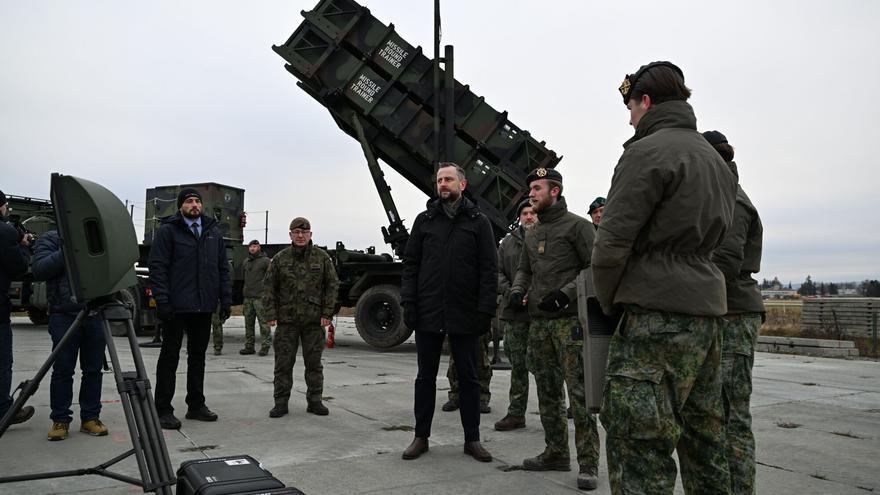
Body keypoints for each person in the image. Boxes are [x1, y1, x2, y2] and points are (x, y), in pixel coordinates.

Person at [592, 61, 737, 494]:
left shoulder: (645, 152)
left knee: (639, 448)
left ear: (646, 101)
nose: (629, 119)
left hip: (654, 319)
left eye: (631, 108)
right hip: (708, 318)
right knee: (706, 443)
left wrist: (610, 303)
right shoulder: (715, 160)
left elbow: (610, 246)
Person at [509, 167, 600, 491]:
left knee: (579, 395)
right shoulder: (532, 232)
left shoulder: (578, 226)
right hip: (540, 325)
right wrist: (517, 290)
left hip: (570, 324)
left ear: (555, 191)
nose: (531, 194)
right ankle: (556, 453)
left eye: (537, 188)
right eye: (530, 189)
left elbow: (595, 267)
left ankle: (588, 462)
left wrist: (566, 294)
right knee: (547, 392)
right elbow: (524, 269)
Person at [400, 162, 497, 463]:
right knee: (425, 378)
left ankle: (472, 439)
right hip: (428, 311)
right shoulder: (424, 221)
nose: (443, 184)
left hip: (465, 313)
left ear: (462, 185)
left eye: (449, 179)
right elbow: (411, 265)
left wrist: (485, 310)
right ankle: (420, 437)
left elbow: (489, 270)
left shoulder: (478, 222)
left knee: (469, 378)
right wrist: (409, 303)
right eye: (440, 180)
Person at [705, 129, 765, 495]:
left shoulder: (732, 200)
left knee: (730, 414)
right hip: (723, 311)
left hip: (735, 314)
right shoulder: (718, 194)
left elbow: (724, 262)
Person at [149, 188, 231, 430]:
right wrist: (162, 301)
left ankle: (196, 405)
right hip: (176, 306)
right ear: (180, 206)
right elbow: (158, 267)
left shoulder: (213, 232)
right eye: (189, 201)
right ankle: (163, 409)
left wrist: (225, 299)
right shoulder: (168, 231)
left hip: (203, 306)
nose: (194, 205)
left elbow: (222, 268)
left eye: (197, 201)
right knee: (170, 357)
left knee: (198, 357)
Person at [32, 230, 109, 441]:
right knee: (63, 370)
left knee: (93, 370)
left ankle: (90, 417)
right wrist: (68, 248)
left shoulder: (96, 234)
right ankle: (60, 419)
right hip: (64, 314)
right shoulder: (51, 238)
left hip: (94, 312)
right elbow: (39, 270)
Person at [263, 217, 339, 418]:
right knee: (283, 364)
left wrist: (327, 313)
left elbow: (332, 286)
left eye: (304, 232)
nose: (300, 235)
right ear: (290, 235)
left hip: (314, 321)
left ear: (310, 234)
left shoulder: (322, 258)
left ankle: (315, 401)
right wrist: (270, 314)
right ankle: (280, 403)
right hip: (287, 321)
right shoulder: (280, 259)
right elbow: (269, 288)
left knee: (314, 365)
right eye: (296, 232)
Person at [493, 199, 538, 432]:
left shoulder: (547, 238)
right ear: (519, 217)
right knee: (517, 367)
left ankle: (553, 416)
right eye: (524, 213)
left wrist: (531, 294)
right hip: (514, 313)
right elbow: (498, 272)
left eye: (532, 212)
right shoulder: (507, 243)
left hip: (540, 313)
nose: (529, 216)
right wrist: (510, 292)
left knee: (546, 369)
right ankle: (516, 413)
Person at [0, 191, 35, 427]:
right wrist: (23, 246)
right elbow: (18, 268)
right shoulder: (5, 232)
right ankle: (4, 411)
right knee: (2, 362)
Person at [441, 331, 492, 414]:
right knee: (455, 359)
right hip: (456, 327)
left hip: (478, 327)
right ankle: (455, 395)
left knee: (480, 358)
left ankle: (482, 397)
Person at [240, 239, 272, 356]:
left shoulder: (265, 261)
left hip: (260, 297)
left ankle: (265, 346)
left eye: (254, 246)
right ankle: (249, 346)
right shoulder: (246, 261)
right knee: (248, 324)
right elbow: (244, 278)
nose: (252, 248)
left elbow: (270, 278)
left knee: (263, 323)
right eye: (251, 247)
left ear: (259, 247)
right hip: (248, 298)